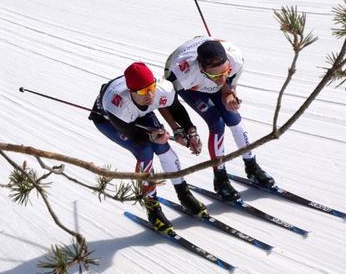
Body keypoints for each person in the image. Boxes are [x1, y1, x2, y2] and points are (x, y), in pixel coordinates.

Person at [89, 62, 206, 234]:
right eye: (144, 91)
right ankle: (152, 209)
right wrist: (151, 135)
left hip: (138, 111)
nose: (150, 94)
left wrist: (189, 130)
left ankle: (184, 194)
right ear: (131, 92)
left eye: (151, 86)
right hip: (111, 121)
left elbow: (177, 110)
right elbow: (135, 136)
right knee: (145, 151)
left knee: (163, 147)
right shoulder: (117, 106)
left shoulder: (161, 89)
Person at [164, 37, 274, 201]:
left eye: (225, 72)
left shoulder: (235, 59)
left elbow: (227, 81)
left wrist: (229, 92)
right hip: (192, 86)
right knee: (217, 122)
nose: (222, 78)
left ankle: (252, 166)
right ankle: (220, 179)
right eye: (216, 75)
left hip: (205, 76)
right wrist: (184, 129)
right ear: (201, 67)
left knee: (233, 117)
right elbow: (168, 104)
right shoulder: (180, 73)